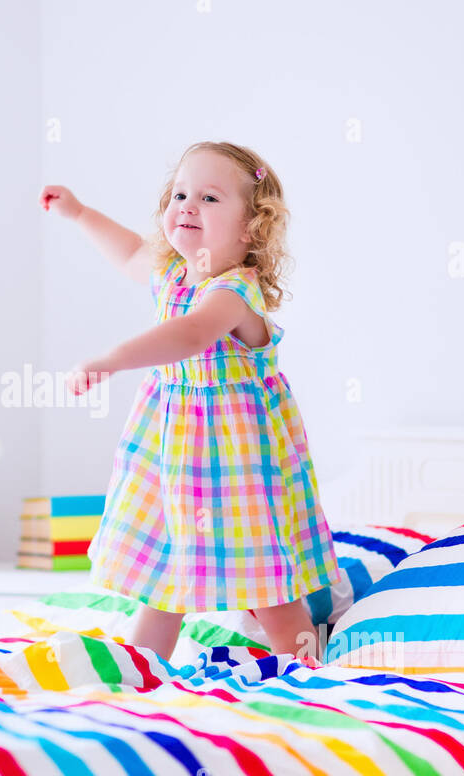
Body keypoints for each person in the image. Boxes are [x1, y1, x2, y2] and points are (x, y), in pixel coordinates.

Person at [39, 140, 342, 664]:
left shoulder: (235, 291)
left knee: (269, 586)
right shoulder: (174, 277)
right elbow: (132, 251)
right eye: (179, 193)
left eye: (209, 197)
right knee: (164, 576)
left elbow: (192, 335)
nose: (187, 205)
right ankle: (140, 677)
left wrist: (111, 360)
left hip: (239, 466)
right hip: (176, 460)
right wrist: (80, 213)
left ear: (252, 227)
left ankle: (311, 673)